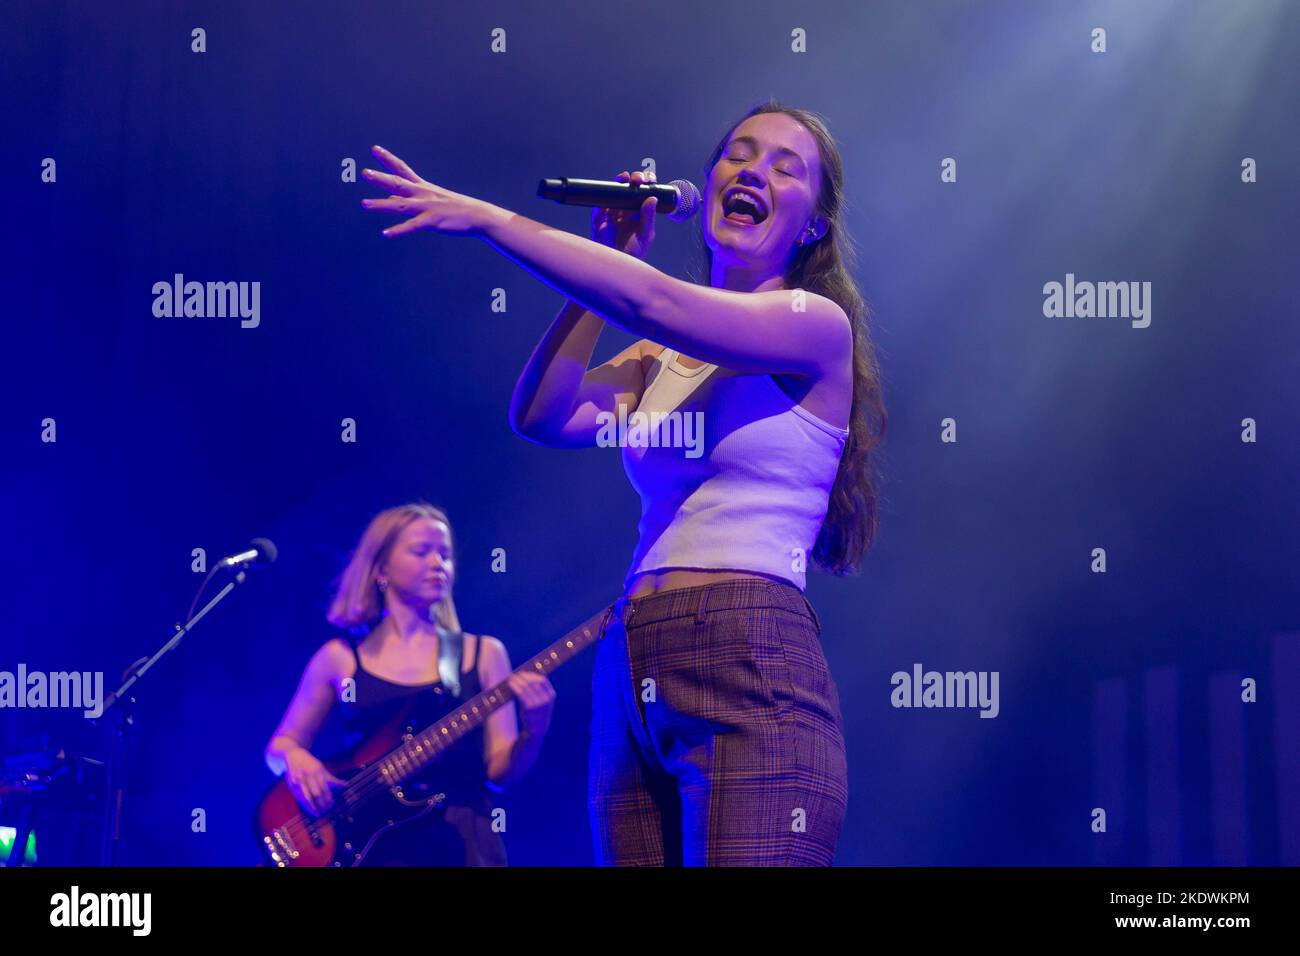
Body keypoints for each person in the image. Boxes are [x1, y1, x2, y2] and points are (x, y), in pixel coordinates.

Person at [359, 98, 887, 865]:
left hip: (748, 645)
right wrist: (591, 280)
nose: (753, 171)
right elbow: (543, 414)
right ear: (706, 189)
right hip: (632, 654)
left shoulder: (813, 324)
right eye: (739, 154)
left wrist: (487, 219)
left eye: (784, 166)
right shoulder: (657, 358)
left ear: (811, 223)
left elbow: (656, 299)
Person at [264, 502, 555, 865]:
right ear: (381, 567)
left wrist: (536, 730)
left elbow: (500, 774)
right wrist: (294, 758)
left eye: (445, 554)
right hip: (373, 848)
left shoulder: (483, 652)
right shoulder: (339, 657)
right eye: (422, 551)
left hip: (463, 842)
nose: (438, 563)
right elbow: (278, 747)